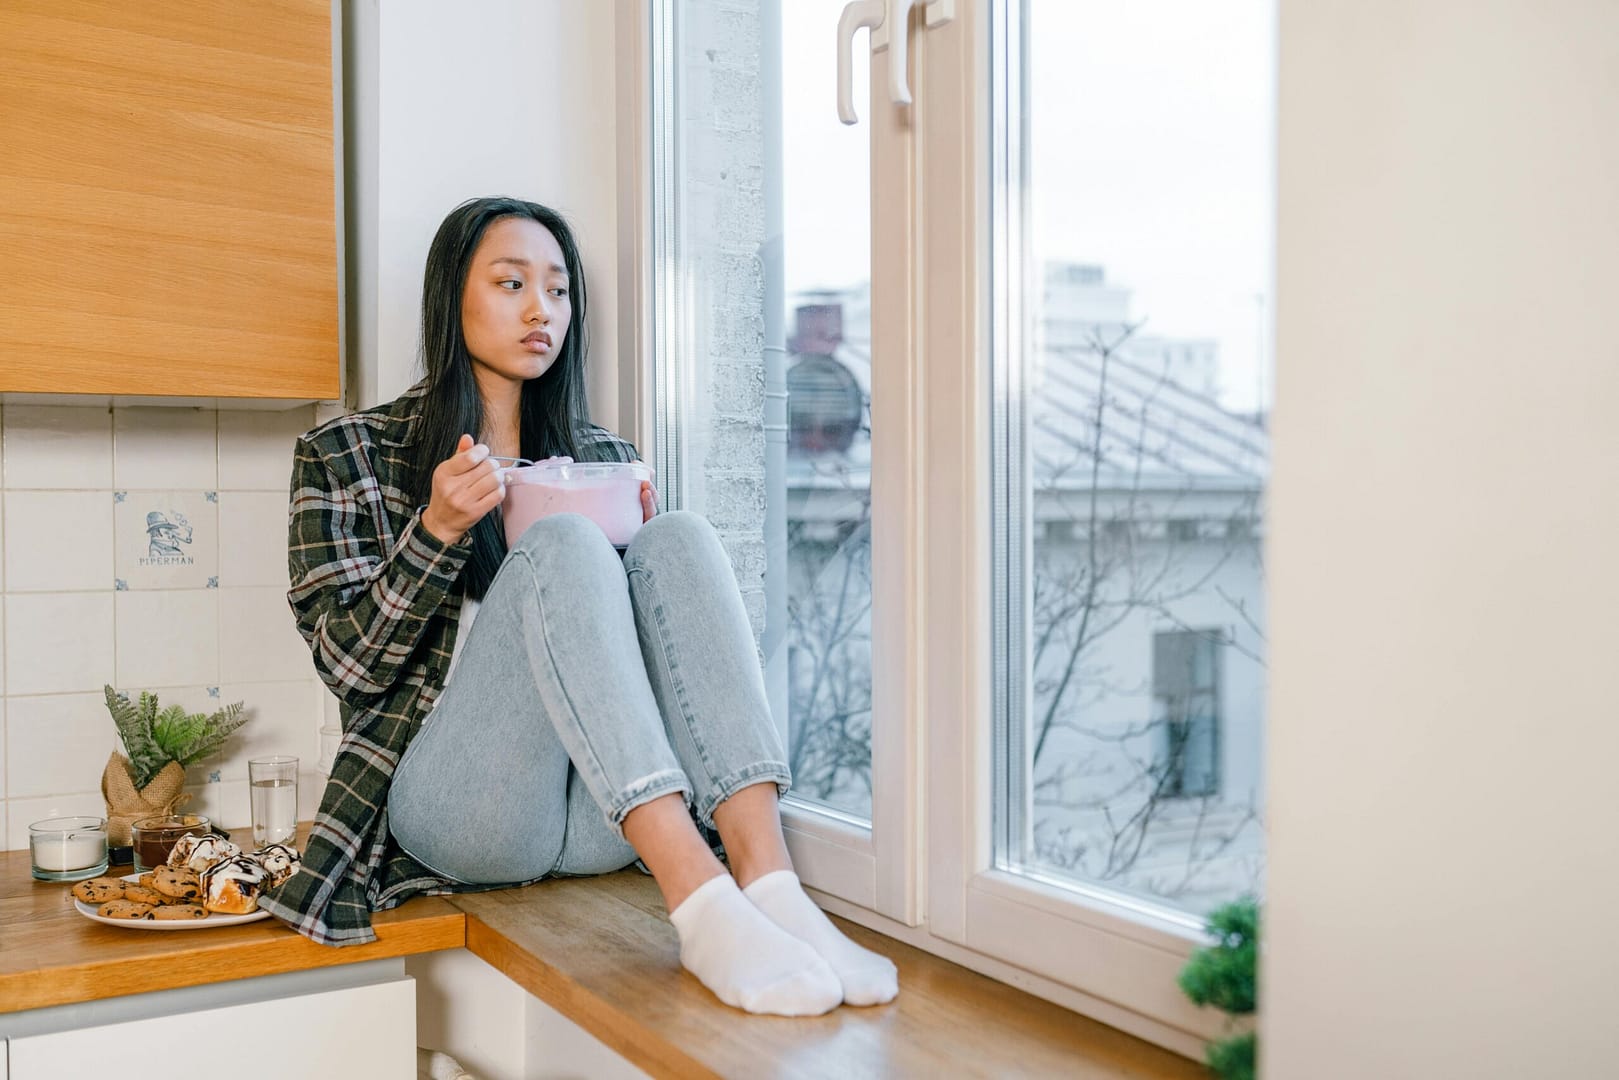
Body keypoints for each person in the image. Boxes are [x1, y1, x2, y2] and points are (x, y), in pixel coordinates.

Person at [260, 196, 897, 1017]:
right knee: (562, 543)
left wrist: (637, 563)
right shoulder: (346, 451)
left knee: (679, 536)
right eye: (511, 282)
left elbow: (655, 650)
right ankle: (701, 906)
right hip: (462, 813)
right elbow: (349, 666)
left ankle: (772, 890)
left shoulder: (604, 458)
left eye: (558, 290)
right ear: (451, 298)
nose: (540, 310)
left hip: (604, 816)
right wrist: (436, 529)